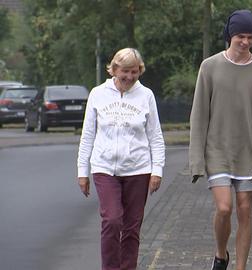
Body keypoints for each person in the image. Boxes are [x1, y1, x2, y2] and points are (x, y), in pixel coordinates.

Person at [189, 9, 252, 270]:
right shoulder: (210, 67)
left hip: (249, 154)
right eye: (240, 35)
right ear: (230, 35)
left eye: (250, 37)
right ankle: (220, 253)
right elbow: (199, 116)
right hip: (217, 152)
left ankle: (240, 267)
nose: (246, 42)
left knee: (245, 210)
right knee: (225, 208)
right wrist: (196, 160)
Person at [77, 48, 165, 270]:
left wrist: (157, 170)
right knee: (112, 220)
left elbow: (155, 135)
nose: (129, 76)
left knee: (132, 227)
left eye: (134, 72)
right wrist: (82, 171)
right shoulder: (98, 93)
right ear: (114, 69)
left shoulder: (146, 95)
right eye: (125, 71)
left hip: (138, 169)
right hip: (104, 167)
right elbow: (88, 134)